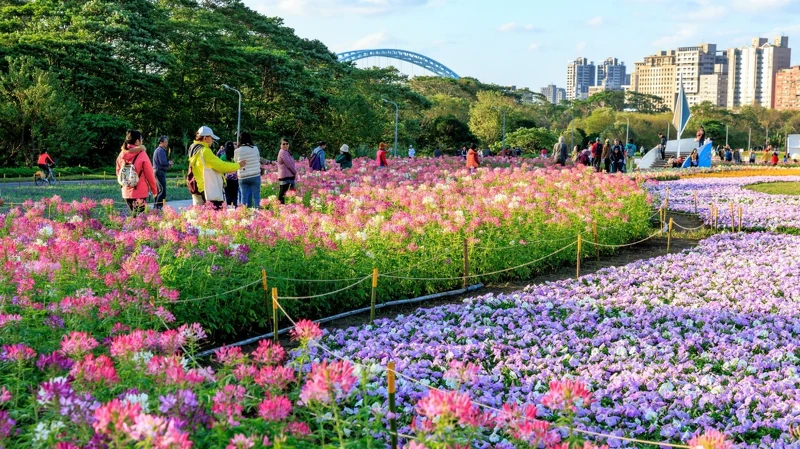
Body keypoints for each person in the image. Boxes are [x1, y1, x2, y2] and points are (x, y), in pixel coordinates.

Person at [188, 126, 244, 209]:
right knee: (215, 213)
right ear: (205, 138)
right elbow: (221, 166)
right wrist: (238, 165)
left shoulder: (193, 148)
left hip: (197, 186)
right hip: (207, 187)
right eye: (212, 138)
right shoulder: (204, 151)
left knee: (199, 213)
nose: (213, 140)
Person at [116, 130, 158, 216]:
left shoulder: (121, 154)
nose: (142, 140)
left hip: (126, 191)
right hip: (140, 192)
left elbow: (118, 172)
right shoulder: (142, 154)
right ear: (137, 141)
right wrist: (154, 190)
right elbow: (150, 174)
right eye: (141, 139)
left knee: (134, 216)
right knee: (140, 219)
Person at [234, 132, 262, 208]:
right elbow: (258, 159)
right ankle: (257, 211)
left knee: (244, 197)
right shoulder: (255, 148)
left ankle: (244, 212)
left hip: (243, 176)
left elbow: (236, 162)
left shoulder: (237, 151)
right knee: (256, 196)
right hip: (255, 175)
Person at [151, 136, 172, 209]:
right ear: (161, 142)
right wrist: (169, 163)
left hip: (157, 171)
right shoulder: (160, 150)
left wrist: (167, 165)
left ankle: (156, 207)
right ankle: (158, 207)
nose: (167, 143)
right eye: (165, 142)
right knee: (162, 191)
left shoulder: (158, 150)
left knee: (158, 190)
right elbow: (162, 162)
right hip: (159, 172)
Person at [217, 141, 239, 208]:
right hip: (235, 178)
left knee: (228, 195)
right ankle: (235, 207)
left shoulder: (223, 157)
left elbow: (220, 167)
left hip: (226, 179)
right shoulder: (235, 156)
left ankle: (230, 208)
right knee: (234, 195)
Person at [277, 138, 297, 204]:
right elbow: (289, 164)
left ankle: (285, 206)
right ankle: (280, 206)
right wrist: (295, 172)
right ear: (280, 145)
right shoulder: (282, 152)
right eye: (283, 144)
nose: (285, 145)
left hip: (288, 176)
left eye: (287, 143)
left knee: (288, 193)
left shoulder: (287, 152)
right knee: (282, 193)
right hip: (285, 176)